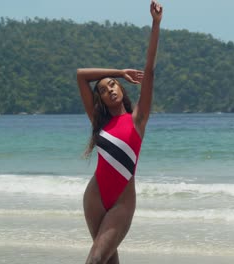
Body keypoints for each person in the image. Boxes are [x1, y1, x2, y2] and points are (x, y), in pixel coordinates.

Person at [76, 1, 163, 263]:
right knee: (107, 261)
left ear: (122, 90)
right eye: (103, 89)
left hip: (122, 202)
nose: (110, 89)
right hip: (94, 196)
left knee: (94, 260)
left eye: (114, 84)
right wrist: (118, 72)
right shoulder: (98, 122)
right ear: (100, 99)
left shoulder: (138, 119)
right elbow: (81, 75)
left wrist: (156, 24)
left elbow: (149, 70)